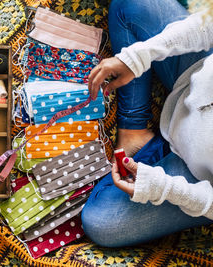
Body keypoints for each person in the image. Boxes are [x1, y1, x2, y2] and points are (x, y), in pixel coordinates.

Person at [80, 0, 213, 247]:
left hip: (198, 177)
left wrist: (162, 187)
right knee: (131, 4)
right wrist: (139, 56)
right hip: (194, 71)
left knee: (102, 223)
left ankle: (156, 151)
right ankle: (134, 129)